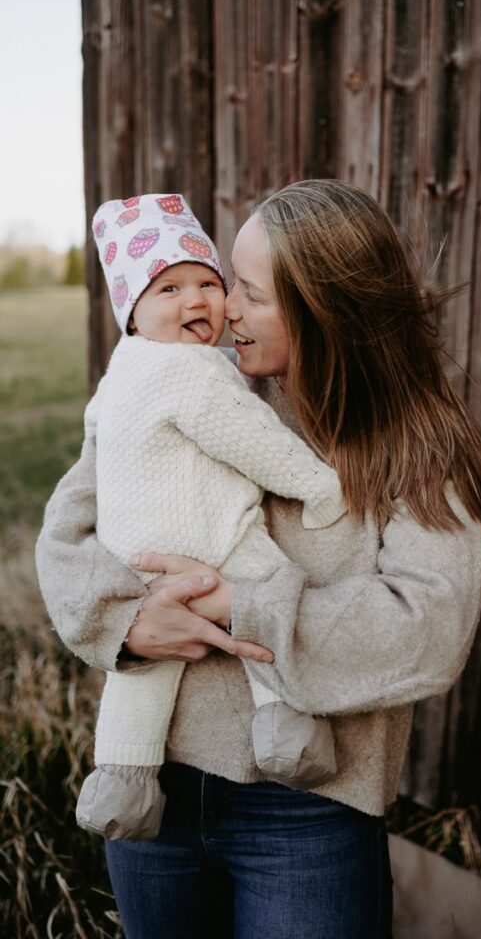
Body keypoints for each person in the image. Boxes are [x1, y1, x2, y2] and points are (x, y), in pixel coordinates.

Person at [36, 179, 481, 939]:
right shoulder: (168, 379)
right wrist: (127, 621)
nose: (221, 313)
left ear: (325, 309)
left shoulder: (416, 446)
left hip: (310, 809)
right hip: (155, 788)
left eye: (246, 294)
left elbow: (426, 627)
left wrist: (235, 607)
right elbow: (64, 543)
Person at [74, 193, 345, 842]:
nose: (195, 301)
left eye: (206, 283)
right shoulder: (190, 372)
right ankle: (286, 721)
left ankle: (122, 780)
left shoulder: (118, 374)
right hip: (206, 535)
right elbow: (253, 439)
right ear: (131, 311)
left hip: (136, 558)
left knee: (142, 673)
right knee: (268, 590)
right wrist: (318, 486)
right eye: (168, 288)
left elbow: (96, 442)